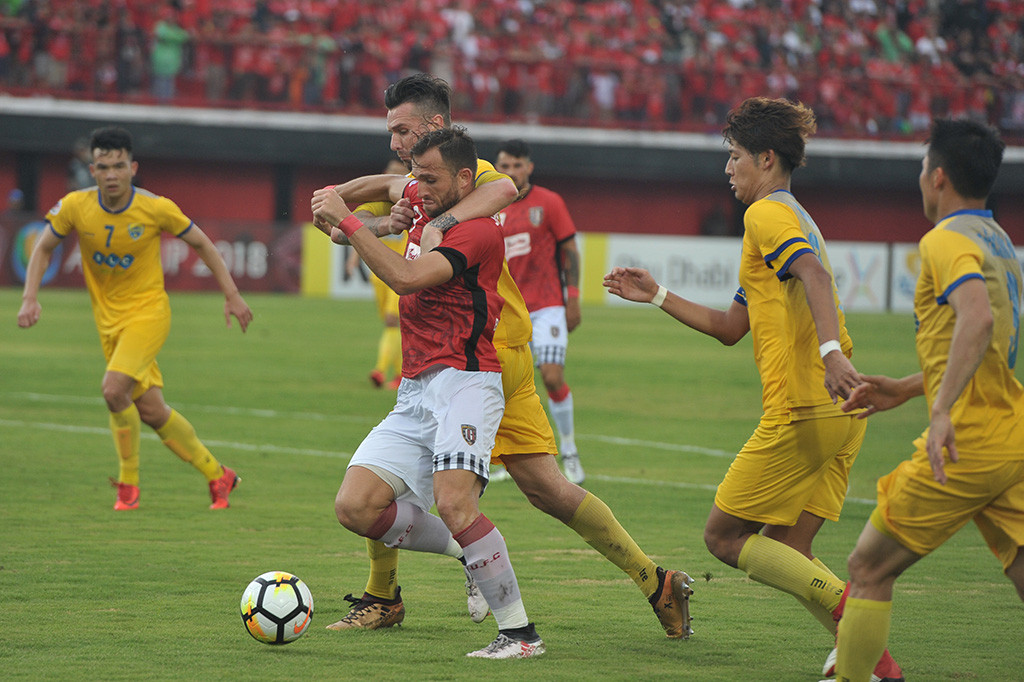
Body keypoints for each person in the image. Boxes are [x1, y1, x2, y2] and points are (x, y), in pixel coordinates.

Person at [322, 73, 695, 643]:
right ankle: (655, 581)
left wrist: (425, 219)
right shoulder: (421, 182)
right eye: (391, 132)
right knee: (547, 491)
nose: (395, 142)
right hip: (449, 355)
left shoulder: (470, 178)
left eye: (402, 130)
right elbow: (348, 219)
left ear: (435, 126)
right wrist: (369, 210)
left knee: (430, 490)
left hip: (480, 355)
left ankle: (438, 600)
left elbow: (503, 192)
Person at [603, 97, 903, 682]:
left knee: (723, 536)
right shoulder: (793, 217)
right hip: (842, 413)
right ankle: (873, 666)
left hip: (804, 407)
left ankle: (857, 618)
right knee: (789, 551)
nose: (728, 168)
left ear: (766, 159)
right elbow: (730, 327)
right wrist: (657, 295)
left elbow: (813, 275)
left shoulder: (766, 215)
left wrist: (830, 353)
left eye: (735, 156)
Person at [312, 126, 544, 659]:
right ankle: (468, 553)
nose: (420, 187)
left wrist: (349, 220)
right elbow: (387, 188)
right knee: (355, 507)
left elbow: (406, 277)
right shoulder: (423, 195)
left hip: (467, 381)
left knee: (455, 502)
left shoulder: (477, 231)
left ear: (464, 178)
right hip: (416, 388)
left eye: (431, 179)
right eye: (417, 176)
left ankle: (520, 635)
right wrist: (349, 204)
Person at [832, 119, 1024, 682]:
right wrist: (909, 387)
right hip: (1012, 435)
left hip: (966, 442)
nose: (920, 179)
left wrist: (939, 412)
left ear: (938, 177)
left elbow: (977, 319)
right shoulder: (999, 241)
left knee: (867, 567)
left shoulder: (943, 240)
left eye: (922, 168)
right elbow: (987, 346)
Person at [16, 126, 253, 511]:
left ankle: (128, 486)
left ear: (133, 168)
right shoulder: (75, 206)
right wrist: (30, 298)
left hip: (148, 314)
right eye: (103, 167)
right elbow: (43, 248)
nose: (111, 174)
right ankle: (218, 475)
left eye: (119, 166)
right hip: (108, 323)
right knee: (152, 411)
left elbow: (202, 244)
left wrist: (232, 294)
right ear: (92, 170)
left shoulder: (156, 208)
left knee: (113, 390)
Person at [493, 138, 584, 484]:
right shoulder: (489, 206)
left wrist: (572, 298)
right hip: (507, 311)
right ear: (496, 168)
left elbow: (570, 250)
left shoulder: (549, 202)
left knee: (551, 376)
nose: (511, 171)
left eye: (517, 165)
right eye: (505, 166)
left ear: (529, 167)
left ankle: (570, 450)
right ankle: (506, 458)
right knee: (502, 383)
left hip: (547, 306)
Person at [345, 158, 409, 390]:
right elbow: (363, 231)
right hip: (379, 272)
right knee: (390, 325)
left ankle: (382, 371)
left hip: (401, 270)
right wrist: (353, 259)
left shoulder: (410, 203)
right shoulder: (376, 203)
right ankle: (397, 374)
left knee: (393, 320)